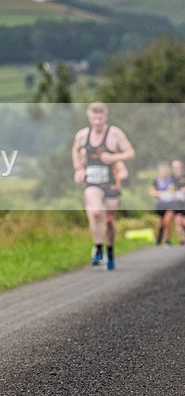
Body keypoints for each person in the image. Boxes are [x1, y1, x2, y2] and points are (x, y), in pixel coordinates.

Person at [72, 102, 136, 270]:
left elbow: (130, 153)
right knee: (94, 213)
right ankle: (98, 247)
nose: (97, 122)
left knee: (108, 220)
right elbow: (75, 150)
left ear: (105, 117)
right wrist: (78, 169)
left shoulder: (115, 134)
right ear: (89, 117)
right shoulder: (82, 135)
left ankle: (110, 250)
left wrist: (113, 158)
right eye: (94, 118)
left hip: (111, 181)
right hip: (92, 180)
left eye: (100, 118)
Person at [149, 162, 177, 248]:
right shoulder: (156, 181)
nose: (164, 172)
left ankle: (167, 240)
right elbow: (151, 192)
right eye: (163, 170)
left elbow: (175, 191)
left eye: (166, 170)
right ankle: (158, 238)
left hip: (171, 204)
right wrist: (160, 194)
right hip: (160, 205)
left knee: (167, 221)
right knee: (160, 224)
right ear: (159, 171)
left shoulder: (172, 181)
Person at [172, 159, 185, 246]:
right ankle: (182, 241)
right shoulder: (171, 178)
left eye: (178, 167)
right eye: (174, 167)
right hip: (177, 203)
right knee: (178, 222)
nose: (177, 169)